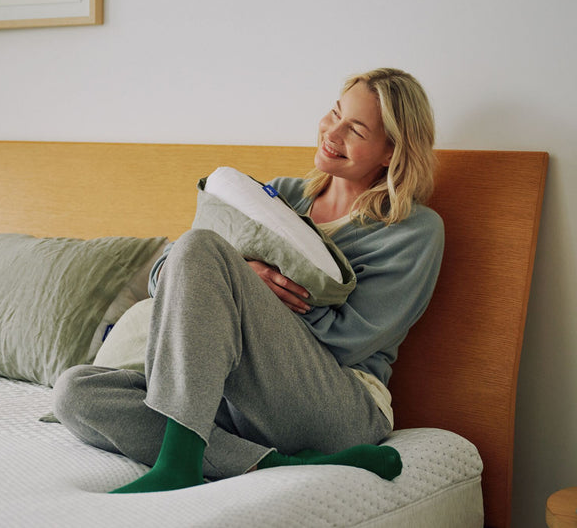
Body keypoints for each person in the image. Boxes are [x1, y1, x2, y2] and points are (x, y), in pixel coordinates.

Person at [53, 68, 444, 494]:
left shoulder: (412, 231)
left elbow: (348, 339)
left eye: (356, 129)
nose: (332, 132)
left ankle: (179, 465)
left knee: (203, 246)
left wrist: (240, 285)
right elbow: (166, 274)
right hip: (236, 397)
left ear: (390, 152)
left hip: (339, 405)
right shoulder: (282, 195)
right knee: (76, 393)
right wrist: (227, 280)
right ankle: (273, 463)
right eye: (334, 113)